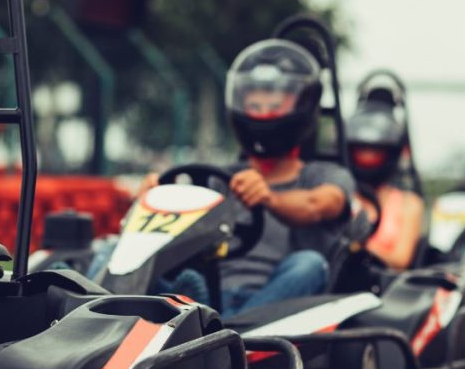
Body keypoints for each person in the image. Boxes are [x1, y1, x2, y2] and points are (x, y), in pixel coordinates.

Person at [133, 39, 356, 317]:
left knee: (310, 264)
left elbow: (318, 204)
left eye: (273, 105)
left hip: (278, 299)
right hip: (212, 290)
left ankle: (222, 331)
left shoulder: (326, 175)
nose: (263, 112)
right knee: (133, 258)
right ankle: (199, 315)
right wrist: (152, 201)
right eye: (254, 104)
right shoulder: (218, 180)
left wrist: (269, 198)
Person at [345, 87, 424, 269]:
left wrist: (358, 246)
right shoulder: (341, 197)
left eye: (375, 151)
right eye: (362, 150)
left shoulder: (409, 204)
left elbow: (400, 261)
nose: (368, 157)